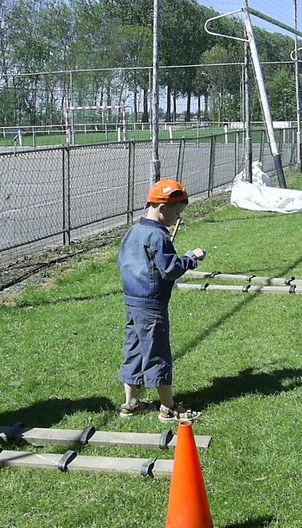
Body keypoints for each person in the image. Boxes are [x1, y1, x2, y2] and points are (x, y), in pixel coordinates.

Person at [117, 179, 206, 423]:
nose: (177, 220)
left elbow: (123, 263)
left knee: (133, 349)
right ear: (162, 208)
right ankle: (168, 408)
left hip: (132, 302)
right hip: (152, 305)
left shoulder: (133, 231)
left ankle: (130, 403)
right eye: (176, 214)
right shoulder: (158, 237)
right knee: (158, 353)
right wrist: (191, 258)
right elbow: (170, 269)